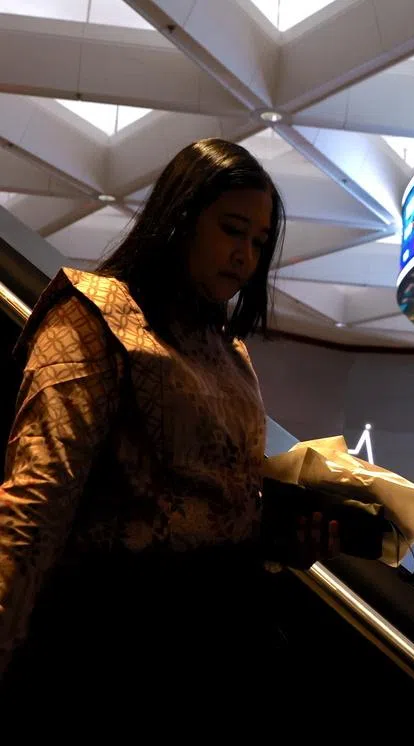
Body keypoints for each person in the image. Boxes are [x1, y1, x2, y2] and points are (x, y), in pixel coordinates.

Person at [0, 139, 294, 708]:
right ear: (181, 218)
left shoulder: (228, 354)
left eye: (259, 242)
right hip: (114, 643)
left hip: (218, 642)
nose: (246, 255)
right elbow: (38, 500)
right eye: (232, 230)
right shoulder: (96, 316)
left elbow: (227, 499)